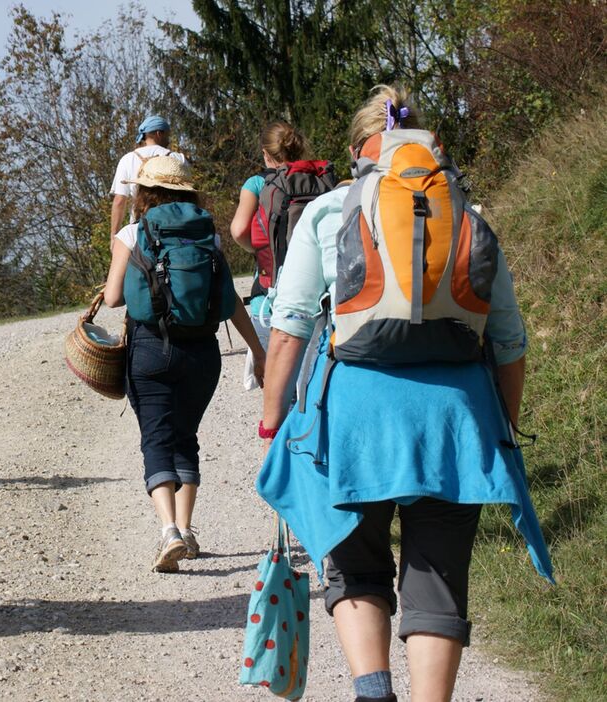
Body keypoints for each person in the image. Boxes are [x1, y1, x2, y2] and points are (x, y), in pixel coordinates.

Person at [256, 86, 553, 702]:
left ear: (358, 151)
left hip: (354, 420)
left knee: (355, 565)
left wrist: (273, 423)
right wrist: (499, 427)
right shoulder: (464, 212)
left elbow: (288, 328)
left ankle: (373, 693)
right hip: (456, 420)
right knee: (438, 581)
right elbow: (509, 339)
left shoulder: (330, 210)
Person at [104, 155, 266, 572]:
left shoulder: (131, 233)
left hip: (149, 349)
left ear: (144, 192)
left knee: (156, 438)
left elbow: (113, 298)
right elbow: (230, 302)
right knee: (185, 436)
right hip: (202, 353)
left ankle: (169, 531)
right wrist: (258, 351)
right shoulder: (207, 236)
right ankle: (187, 528)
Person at [227, 120, 309, 352]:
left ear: (265, 153)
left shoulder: (256, 183)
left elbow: (239, 230)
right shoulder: (315, 179)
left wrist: (261, 247)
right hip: (312, 299)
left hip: (269, 298)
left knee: (273, 370)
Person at [109, 115, 186, 245]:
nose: (168, 140)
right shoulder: (178, 158)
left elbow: (119, 201)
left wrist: (114, 236)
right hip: (174, 227)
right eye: (167, 135)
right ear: (159, 133)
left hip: (139, 229)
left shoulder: (128, 159)